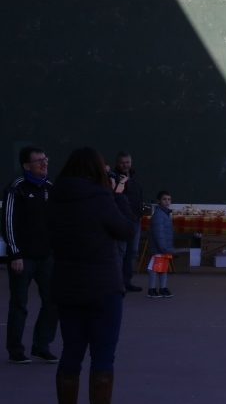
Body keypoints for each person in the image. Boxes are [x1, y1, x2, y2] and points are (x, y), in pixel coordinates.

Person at [47, 147, 137, 403]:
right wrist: (118, 196)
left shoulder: (55, 197)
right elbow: (127, 230)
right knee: (103, 357)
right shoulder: (101, 197)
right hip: (103, 286)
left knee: (70, 353)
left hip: (66, 285)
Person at [3, 146, 58, 365]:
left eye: (45, 159)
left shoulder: (50, 187)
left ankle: (41, 346)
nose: (44, 163)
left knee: (53, 301)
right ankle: (15, 350)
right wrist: (15, 253)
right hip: (22, 259)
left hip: (47, 258)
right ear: (26, 166)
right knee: (19, 304)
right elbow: (8, 222)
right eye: (38, 161)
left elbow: (57, 222)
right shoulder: (16, 188)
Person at [112, 152, 144, 292]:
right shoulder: (114, 177)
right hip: (122, 220)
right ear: (117, 163)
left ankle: (127, 281)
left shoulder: (135, 177)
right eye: (122, 163)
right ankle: (117, 283)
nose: (125, 165)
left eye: (128, 162)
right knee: (121, 251)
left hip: (135, 220)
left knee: (132, 252)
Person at [146, 191, 174, 299]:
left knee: (163, 268)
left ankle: (163, 287)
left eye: (169, 199)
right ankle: (151, 289)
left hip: (164, 248)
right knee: (155, 268)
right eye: (164, 199)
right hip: (159, 248)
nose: (167, 201)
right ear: (159, 201)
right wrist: (163, 247)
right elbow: (159, 233)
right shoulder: (159, 215)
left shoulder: (166, 214)